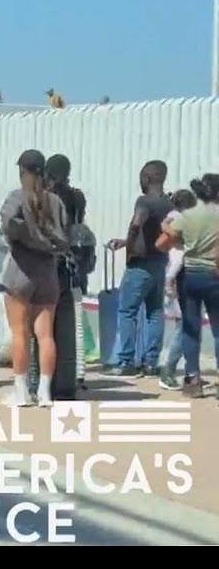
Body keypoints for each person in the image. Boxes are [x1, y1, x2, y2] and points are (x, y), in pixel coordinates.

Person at [0, 150, 69, 407]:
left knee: (20, 333)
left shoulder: (17, 197)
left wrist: (26, 237)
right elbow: (64, 238)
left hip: (20, 269)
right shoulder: (55, 201)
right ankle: (45, 392)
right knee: (45, 335)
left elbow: (7, 224)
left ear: (21, 171)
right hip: (48, 272)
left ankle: (21, 392)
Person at [106, 160, 172, 378]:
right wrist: (126, 242)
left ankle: (126, 361)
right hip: (160, 263)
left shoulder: (144, 201)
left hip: (140, 266)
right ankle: (151, 363)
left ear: (148, 177)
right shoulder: (168, 204)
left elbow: (138, 223)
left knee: (127, 311)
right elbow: (156, 234)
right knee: (154, 312)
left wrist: (131, 245)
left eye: (142, 175)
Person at [157, 173, 219, 397]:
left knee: (190, 328)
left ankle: (192, 379)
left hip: (190, 275)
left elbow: (165, 241)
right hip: (215, 274)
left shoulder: (187, 216)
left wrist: (166, 225)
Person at [158, 188, 197, 391]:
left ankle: (186, 373)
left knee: (186, 326)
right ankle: (169, 371)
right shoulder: (180, 219)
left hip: (178, 275)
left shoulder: (172, 217)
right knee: (186, 327)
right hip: (179, 275)